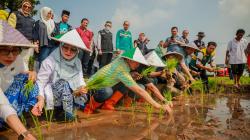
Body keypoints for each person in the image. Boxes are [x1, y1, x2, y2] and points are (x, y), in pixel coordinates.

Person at [83, 48, 172, 115]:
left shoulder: (122, 61)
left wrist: (131, 75)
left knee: (123, 85)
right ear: (129, 59)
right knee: (107, 91)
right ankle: (88, 108)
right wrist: (159, 106)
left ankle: (108, 104)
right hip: (91, 89)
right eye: (136, 62)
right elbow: (139, 90)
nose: (138, 65)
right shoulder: (121, 69)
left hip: (106, 84)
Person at [0, 20, 41, 140]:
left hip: (8, 101)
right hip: (3, 105)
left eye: (15, 50)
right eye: (4, 50)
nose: (11, 56)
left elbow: (25, 72)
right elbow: (2, 105)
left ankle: (25, 113)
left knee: (26, 79)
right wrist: (24, 134)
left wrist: (32, 73)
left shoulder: (17, 59)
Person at [36, 29, 90, 120]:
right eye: (65, 47)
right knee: (64, 83)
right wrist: (41, 99)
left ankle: (65, 112)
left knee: (83, 90)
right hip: (53, 94)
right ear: (61, 46)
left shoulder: (77, 62)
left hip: (71, 93)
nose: (68, 52)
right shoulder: (50, 61)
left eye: (73, 49)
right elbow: (40, 82)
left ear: (77, 51)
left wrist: (82, 88)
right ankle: (57, 111)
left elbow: (80, 79)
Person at [11, 0, 36, 67]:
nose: (27, 8)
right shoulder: (15, 14)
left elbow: (33, 32)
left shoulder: (32, 19)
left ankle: (23, 76)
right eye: (25, 6)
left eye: (29, 7)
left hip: (28, 44)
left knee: (25, 62)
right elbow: (10, 29)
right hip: (17, 44)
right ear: (21, 6)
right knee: (14, 63)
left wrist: (33, 43)